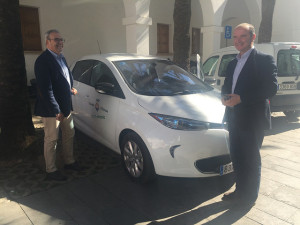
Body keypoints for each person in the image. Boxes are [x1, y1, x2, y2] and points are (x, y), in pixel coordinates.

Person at [221, 23, 278, 205]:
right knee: (237, 157)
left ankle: (249, 198)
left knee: (251, 160)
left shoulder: (264, 59)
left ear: (252, 37)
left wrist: (242, 98)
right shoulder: (232, 63)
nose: (238, 41)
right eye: (235, 37)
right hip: (233, 118)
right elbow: (226, 85)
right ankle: (240, 191)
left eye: (242, 36)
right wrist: (224, 97)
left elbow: (271, 88)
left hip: (253, 120)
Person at [34, 29, 81, 181]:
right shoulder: (42, 61)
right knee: (52, 139)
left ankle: (69, 161)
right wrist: (56, 110)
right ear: (48, 42)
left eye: (61, 40)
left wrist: (70, 88)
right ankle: (51, 170)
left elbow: (65, 77)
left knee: (69, 135)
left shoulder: (61, 58)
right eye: (56, 40)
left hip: (66, 106)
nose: (60, 42)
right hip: (52, 110)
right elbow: (46, 90)